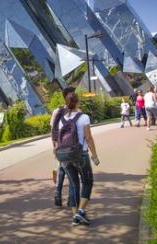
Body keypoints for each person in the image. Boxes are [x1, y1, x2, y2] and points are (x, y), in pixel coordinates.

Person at [58, 91, 100, 226]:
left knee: (73, 184)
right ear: (77, 102)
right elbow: (88, 138)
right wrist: (94, 155)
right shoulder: (84, 117)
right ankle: (81, 211)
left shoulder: (61, 120)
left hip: (65, 156)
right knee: (87, 181)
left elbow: (59, 140)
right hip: (80, 154)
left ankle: (75, 216)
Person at [50, 86, 76, 207]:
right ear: (66, 97)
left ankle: (58, 194)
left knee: (62, 169)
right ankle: (69, 199)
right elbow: (53, 130)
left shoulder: (75, 111)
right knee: (69, 170)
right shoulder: (59, 111)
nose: (73, 97)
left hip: (70, 146)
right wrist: (54, 145)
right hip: (62, 146)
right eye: (71, 95)